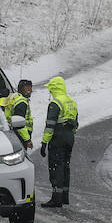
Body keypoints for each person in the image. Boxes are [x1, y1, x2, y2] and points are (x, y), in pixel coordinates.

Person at [40, 77, 78, 207]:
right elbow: (76, 122)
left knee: (56, 167)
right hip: (69, 137)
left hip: (58, 137)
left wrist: (44, 143)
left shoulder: (55, 104)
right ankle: (64, 197)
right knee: (65, 166)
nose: (49, 91)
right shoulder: (71, 101)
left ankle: (56, 199)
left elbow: (50, 125)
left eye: (50, 88)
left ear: (54, 88)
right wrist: (70, 135)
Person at [0, 79, 34, 151]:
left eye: (30, 88)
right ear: (21, 89)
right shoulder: (21, 103)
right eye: (27, 88)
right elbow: (19, 124)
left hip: (15, 133)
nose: (30, 90)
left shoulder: (16, 97)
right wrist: (27, 140)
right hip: (20, 136)